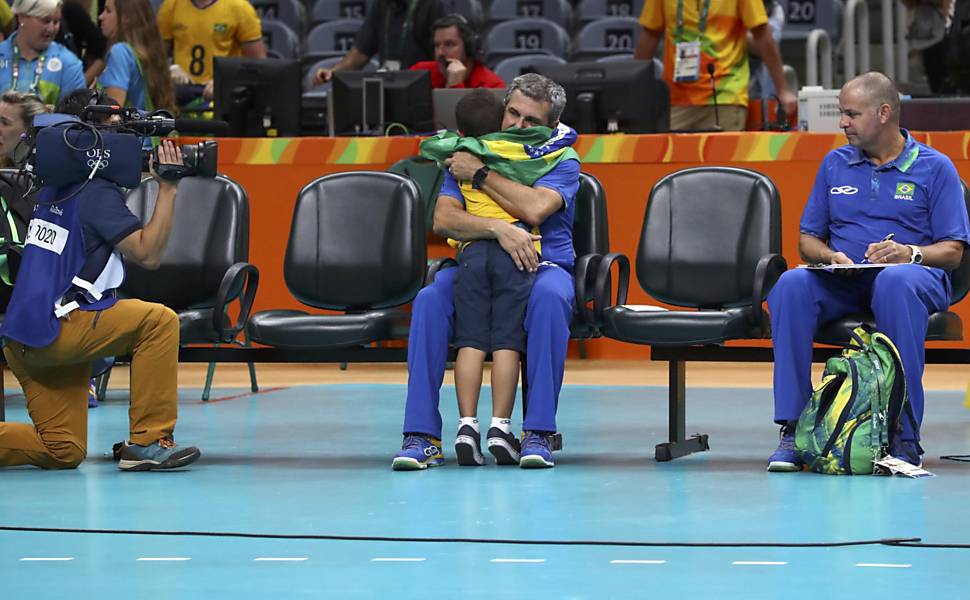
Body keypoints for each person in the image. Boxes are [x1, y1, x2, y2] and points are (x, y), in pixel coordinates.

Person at [765, 72, 970, 472]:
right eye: (842, 113)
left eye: (851, 114)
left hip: (912, 277)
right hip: (845, 280)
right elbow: (807, 240)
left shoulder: (935, 167)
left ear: (884, 113)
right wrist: (829, 256)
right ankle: (795, 428)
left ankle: (902, 437)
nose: (842, 122)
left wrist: (908, 252)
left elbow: (953, 252)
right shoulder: (834, 163)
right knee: (790, 283)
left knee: (894, 283)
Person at [393, 73, 580, 470]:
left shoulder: (561, 157)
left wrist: (479, 174)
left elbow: (534, 209)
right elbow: (444, 218)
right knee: (429, 300)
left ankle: (537, 433)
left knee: (549, 298)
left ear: (549, 125)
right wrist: (496, 228)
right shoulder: (475, 149)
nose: (517, 125)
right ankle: (421, 436)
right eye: (512, 113)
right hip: (477, 264)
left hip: (542, 265)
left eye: (531, 121)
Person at [0, 127, 201, 471]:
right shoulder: (95, 193)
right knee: (158, 321)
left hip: (23, 337)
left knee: (63, 449)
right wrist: (167, 187)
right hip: (58, 329)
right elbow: (148, 254)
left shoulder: (53, 188)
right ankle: (149, 441)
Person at [633, 0, 796, 131]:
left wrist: (782, 89)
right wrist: (633, 91)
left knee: (720, 168)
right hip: (676, 99)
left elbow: (761, 33)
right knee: (675, 168)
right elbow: (650, 33)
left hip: (725, 95)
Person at [312, 0, 447, 85]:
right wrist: (333, 72)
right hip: (388, 84)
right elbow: (361, 52)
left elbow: (443, 54)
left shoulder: (433, 4)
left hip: (422, 86)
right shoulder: (382, 4)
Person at [156, 0, 265, 104]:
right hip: (182, 92)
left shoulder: (240, 7)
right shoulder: (171, 5)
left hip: (221, 93)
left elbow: (257, 64)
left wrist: (225, 80)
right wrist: (171, 68)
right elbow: (156, 58)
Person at [0, 0, 86, 105]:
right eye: (45, 21)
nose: (51, 29)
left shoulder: (70, 64)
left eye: (56, 22)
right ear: (22, 18)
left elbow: (74, 116)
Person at [98, 0, 175, 113]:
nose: (101, 16)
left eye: (108, 11)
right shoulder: (150, 52)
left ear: (126, 18)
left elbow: (111, 115)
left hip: (127, 130)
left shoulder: (120, 52)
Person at [409, 15, 504, 89]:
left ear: (469, 47)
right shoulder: (420, 73)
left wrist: (455, 85)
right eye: (437, 45)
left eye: (449, 44)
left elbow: (458, 115)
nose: (440, 53)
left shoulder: (492, 85)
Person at [56, 0, 108, 86]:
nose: (50, 28)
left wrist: (80, 84)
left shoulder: (70, 11)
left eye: (55, 22)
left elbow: (104, 50)